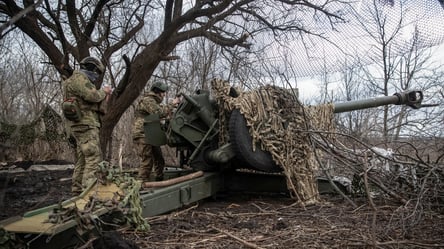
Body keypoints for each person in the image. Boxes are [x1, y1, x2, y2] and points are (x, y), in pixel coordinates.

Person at [62, 56, 112, 194]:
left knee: (82, 159)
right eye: (97, 72)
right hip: (85, 124)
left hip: (78, 125)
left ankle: (77, 190)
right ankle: (89, 193)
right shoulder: (79, 79)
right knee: (93, 158)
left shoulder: (70, 81)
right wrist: (105, 91)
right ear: (92, 68)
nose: (96, 76)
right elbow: (93, 96)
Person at [132, 81, 180, 182]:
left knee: (159, 160)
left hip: (150, 134)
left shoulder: (153, 102)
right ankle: (140, 186)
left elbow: (158, 114)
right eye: (163, 93)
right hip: (143, 134)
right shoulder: (148, 100)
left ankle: (158, 181)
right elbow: (159, 113)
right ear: (158, 92)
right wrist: (172, 104)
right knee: (147, 162)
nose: (164, 95)